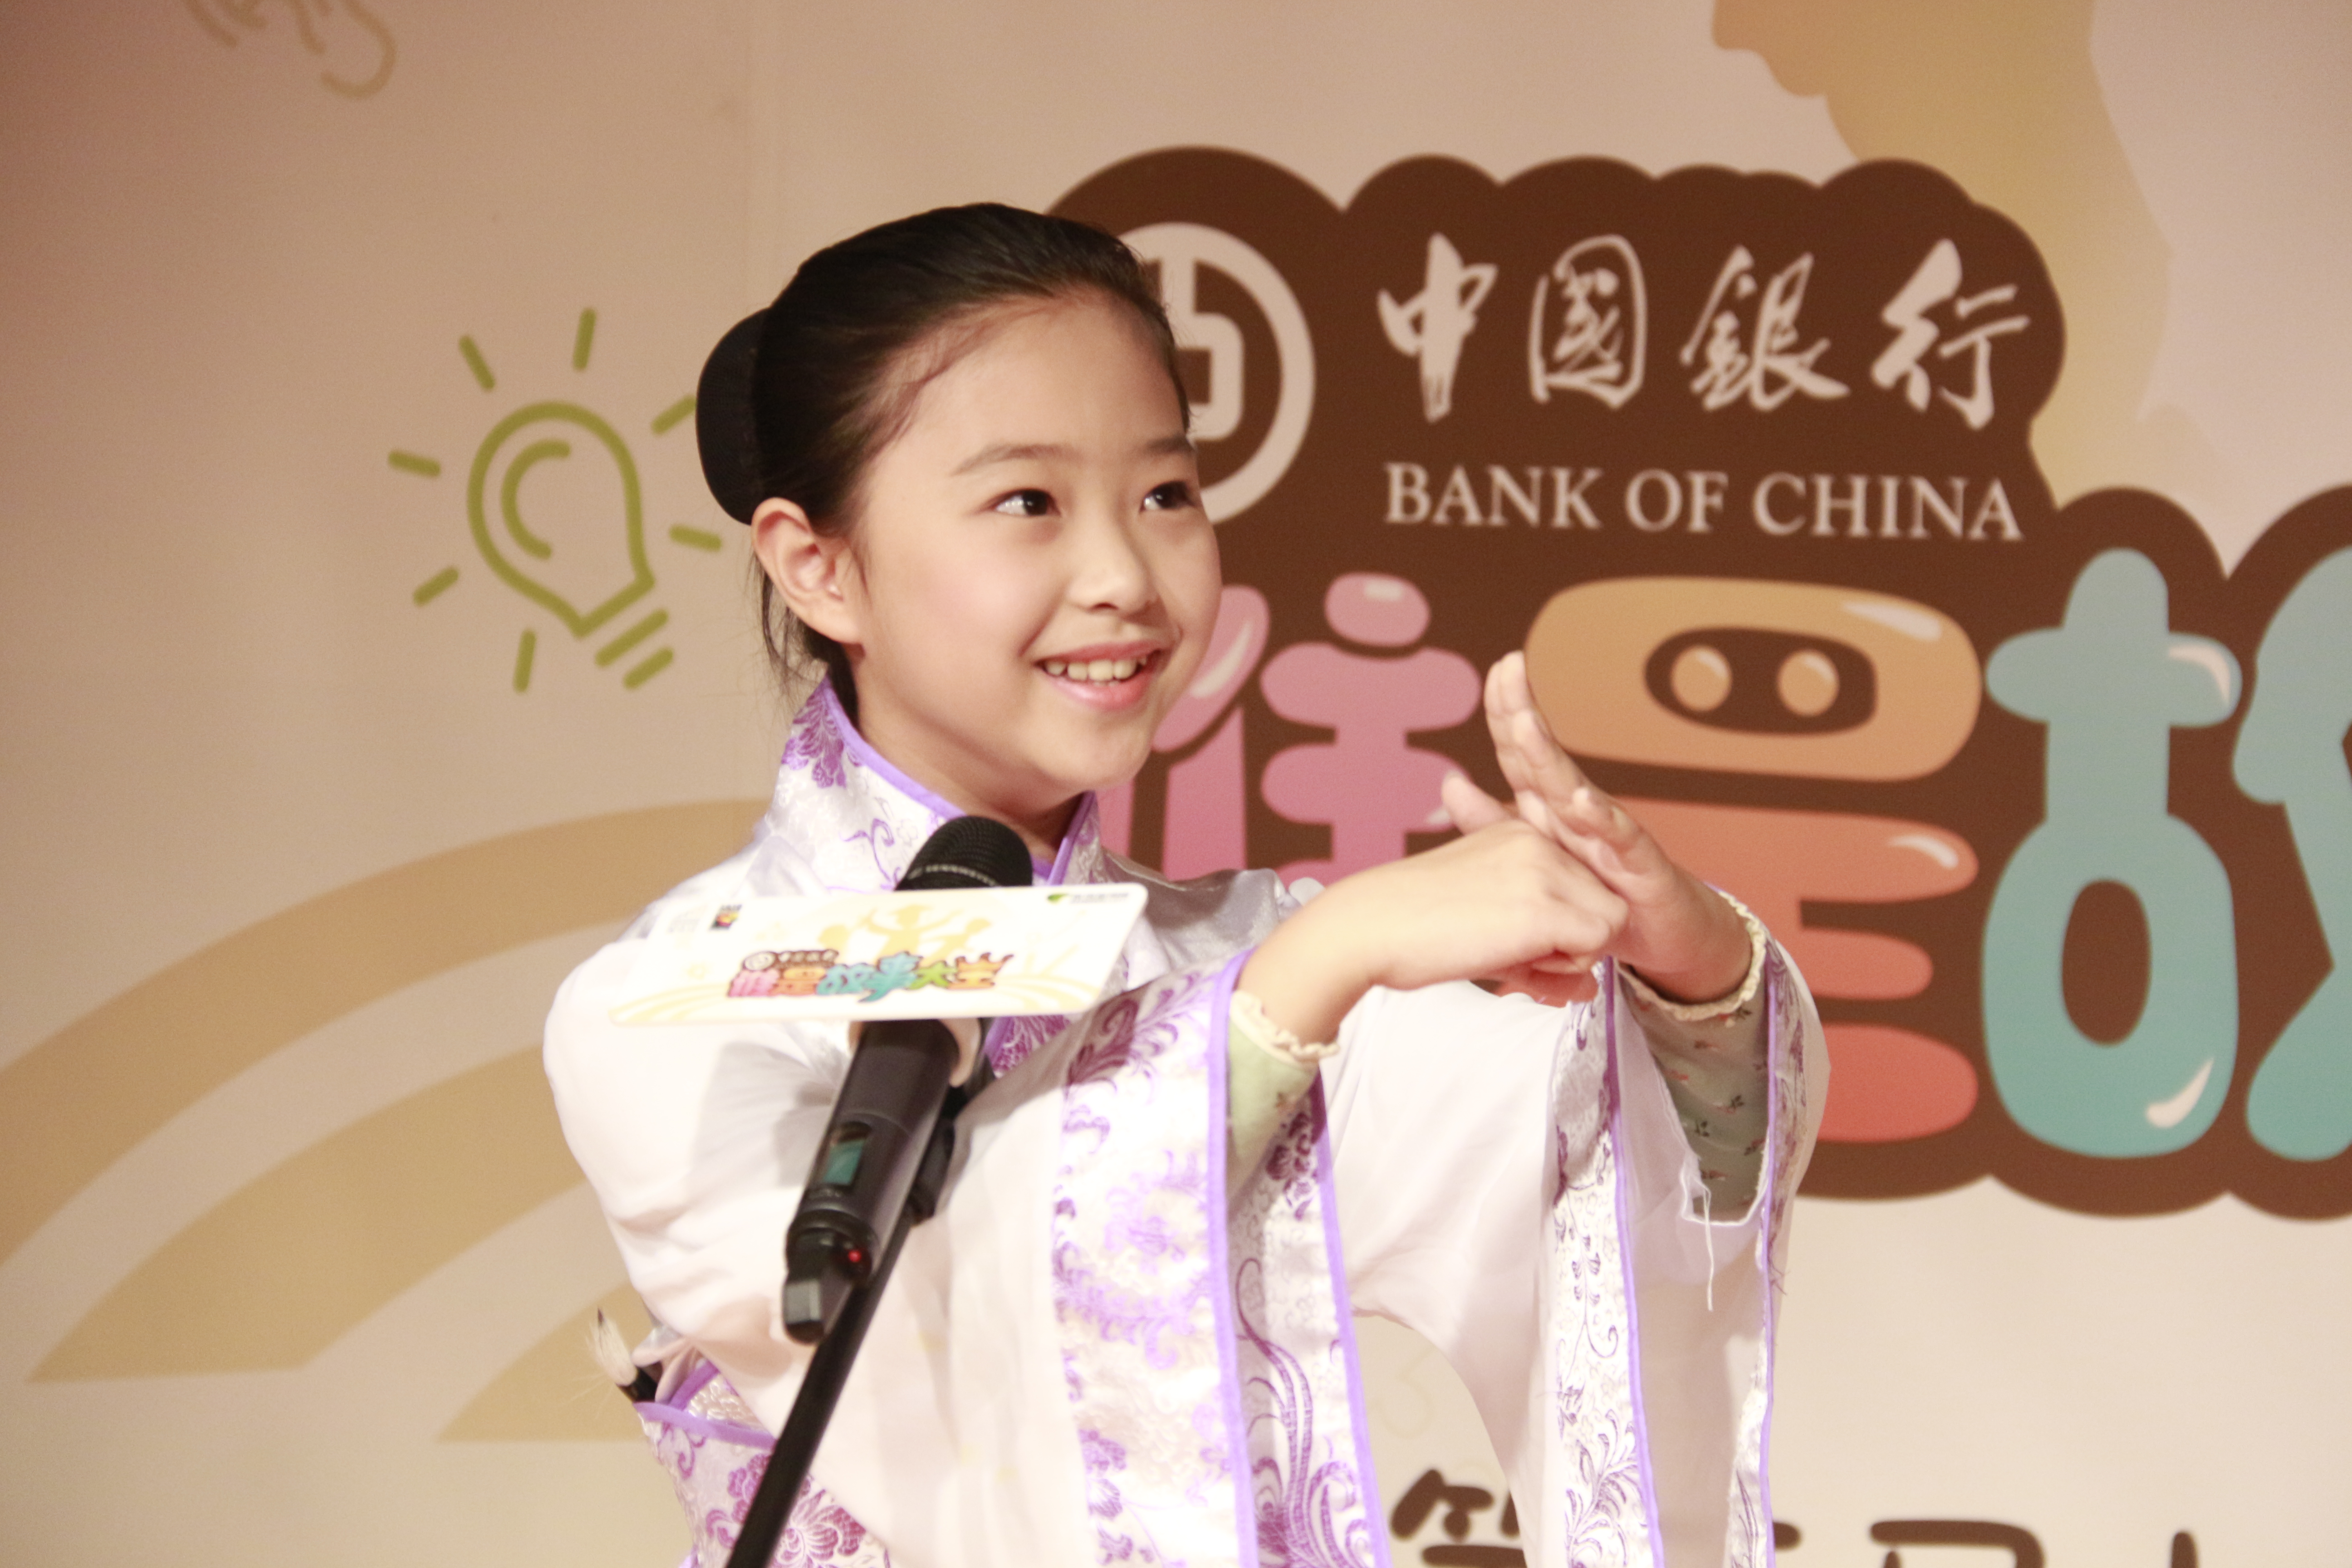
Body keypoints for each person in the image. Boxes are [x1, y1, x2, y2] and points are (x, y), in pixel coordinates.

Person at [544, 203, 1827, 1568]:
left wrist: (1690, 974)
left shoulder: (1244, 951)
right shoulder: (675, 996)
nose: (1124, 577)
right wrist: (1310, 973)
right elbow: (938, 1350)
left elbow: (1595, 1165)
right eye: (1028, 504)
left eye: (1165, 495)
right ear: (821, 569)